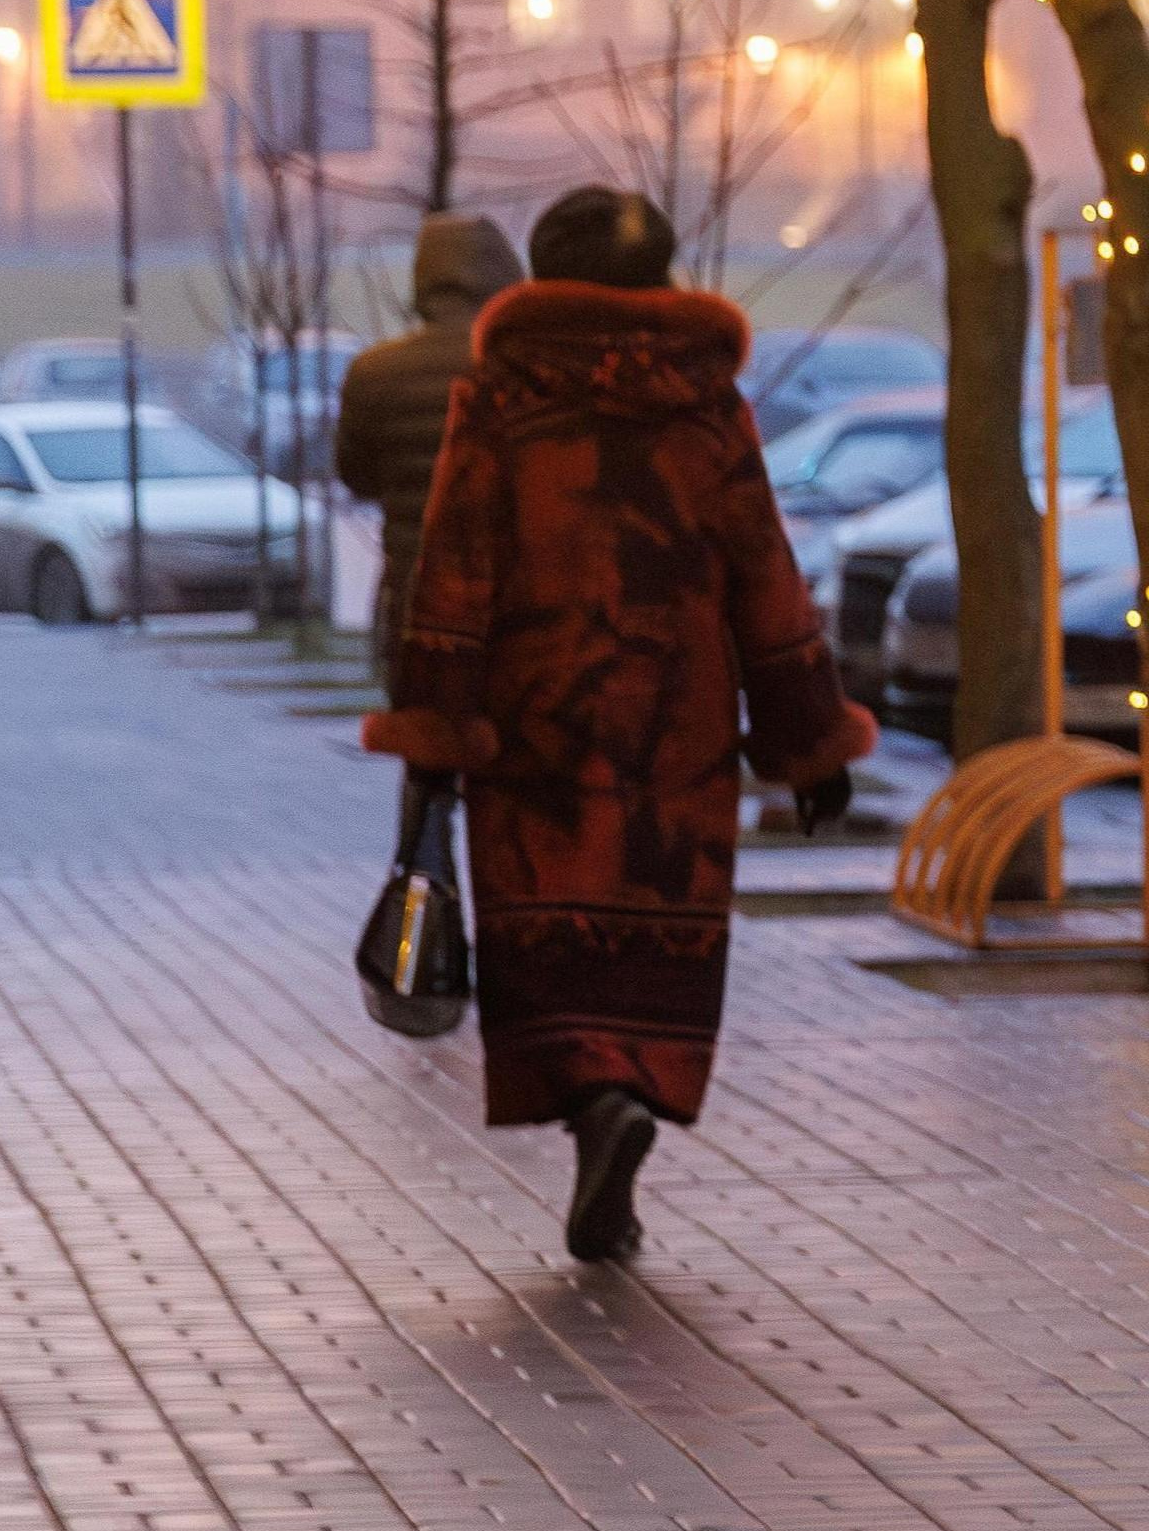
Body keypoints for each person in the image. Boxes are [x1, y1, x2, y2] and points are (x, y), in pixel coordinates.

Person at [362, 186, 870, 1264]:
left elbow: (453, 571)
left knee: (550, 932)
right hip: (675, 730)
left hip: (536, 720)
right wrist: (809, 737)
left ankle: (594, 1105)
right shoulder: (706, 403)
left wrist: (439, 731)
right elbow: (765, 574)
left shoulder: (500, 397)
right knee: (653, 927)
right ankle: (630, 1092)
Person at [333, 209, 524, 685]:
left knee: (425, 735)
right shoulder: (522, 368)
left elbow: (356, 476)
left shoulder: (373, 372)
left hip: (415, 588)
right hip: (510, 592)